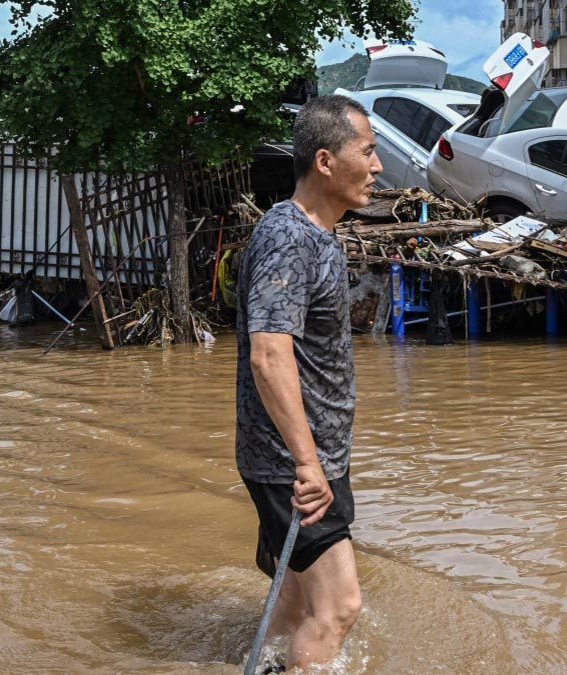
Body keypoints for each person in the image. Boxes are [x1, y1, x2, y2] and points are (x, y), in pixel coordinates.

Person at [235, 94, 382, 670]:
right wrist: (306, 464)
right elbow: (268, 355)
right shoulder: (289, 237)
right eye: (367, 152)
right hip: (294, 468)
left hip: (310, 460)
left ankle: (268, 667)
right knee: (339, 607)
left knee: (296, 601)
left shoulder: (315, 233)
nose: (376, 167)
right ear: (325, 161)